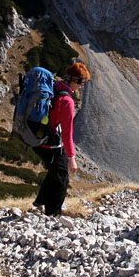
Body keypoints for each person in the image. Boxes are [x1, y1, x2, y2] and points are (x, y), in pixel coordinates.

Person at [32, 62, 90, 216]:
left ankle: (40, 201)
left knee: (55, 170)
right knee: (62, 177)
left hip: (36, 135)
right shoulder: (66, 101)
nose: (82, 86)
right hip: (48, 141)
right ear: (75, 81)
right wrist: (72, 157)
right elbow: (67, 133)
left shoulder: (55, 86)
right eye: (82, 83)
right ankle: (53, 214)